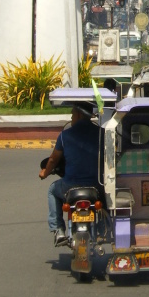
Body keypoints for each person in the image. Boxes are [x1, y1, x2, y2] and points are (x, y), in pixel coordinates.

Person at [39, 102, 102, 246]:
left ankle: (58, 229)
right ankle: (105, 227)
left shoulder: (65, 136)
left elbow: (53, 159)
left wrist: (45, 172)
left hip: (70, 186)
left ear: (79, 115)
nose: (72, 117)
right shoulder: (102, 133)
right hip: (97, 186)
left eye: (72, 114)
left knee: (52, 190)